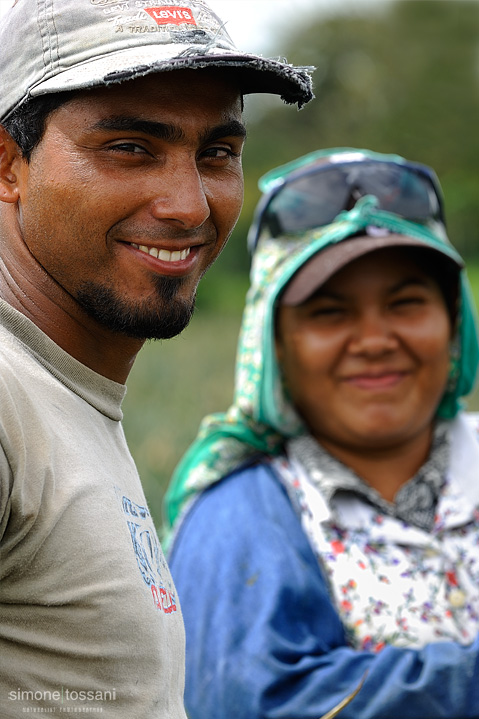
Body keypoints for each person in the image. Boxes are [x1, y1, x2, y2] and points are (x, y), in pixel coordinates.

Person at [0, 1, 313, 716]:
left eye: (217, 154)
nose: (187, 204)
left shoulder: (62, 393)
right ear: (8, 164)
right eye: (130, 148)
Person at [165, 147, 479, 719]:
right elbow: (257, 702)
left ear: (454, 322)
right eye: (330, 313)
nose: (375, 339)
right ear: (275, 343)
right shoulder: (241, 513)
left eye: (406, 303)